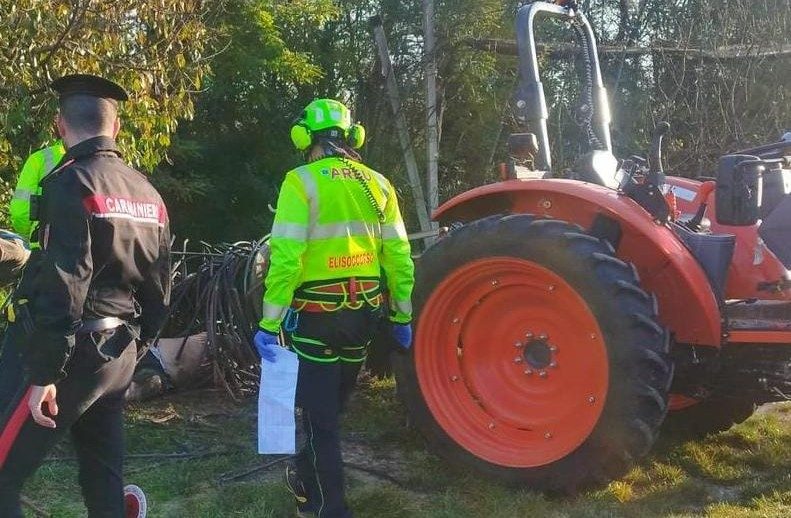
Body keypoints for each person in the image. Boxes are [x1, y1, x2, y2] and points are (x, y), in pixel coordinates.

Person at [0, 73, 171, 517]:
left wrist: (44, 372)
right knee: (102, 476)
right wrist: (137, 348)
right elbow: (160, 289)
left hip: (67, 354)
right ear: (115, 127)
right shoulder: (147, 193)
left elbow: (66, 281)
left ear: (60, 125)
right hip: (117, 353)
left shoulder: (70, 182)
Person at [255, 99, 415, 518]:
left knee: (319, 420)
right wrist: (402, 315)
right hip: (362, 319)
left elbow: (286, 258)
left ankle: (328, 507)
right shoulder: (379, 184)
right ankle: (308, 482)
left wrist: (269, 323)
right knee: (330, 411)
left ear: (304, 137)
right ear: (353, 136)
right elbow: (398, 256)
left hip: (316, 321)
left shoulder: (300, 181)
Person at [9, 139, 66, 244]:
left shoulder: (40, 159)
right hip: (96, 250)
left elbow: (20, 213)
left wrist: (26, 235)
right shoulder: (103, 159)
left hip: (44, 243)